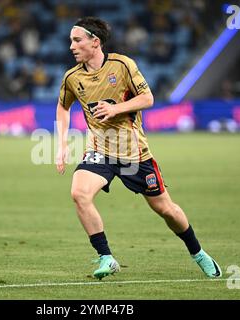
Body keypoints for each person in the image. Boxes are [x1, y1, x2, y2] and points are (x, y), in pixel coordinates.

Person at [56, 17, 221, 280]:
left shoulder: (122, 65)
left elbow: (148, 98)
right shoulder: (72, 77)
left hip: (134, 153)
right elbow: (63, 107)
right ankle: (106, 257)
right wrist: (62, 143)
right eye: (71, 41)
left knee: (166, 210)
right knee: (79, 193)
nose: (71, 46)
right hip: (100, 150)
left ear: (95, 42)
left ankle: (198, 252)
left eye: (77, 40)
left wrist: (115, 108)